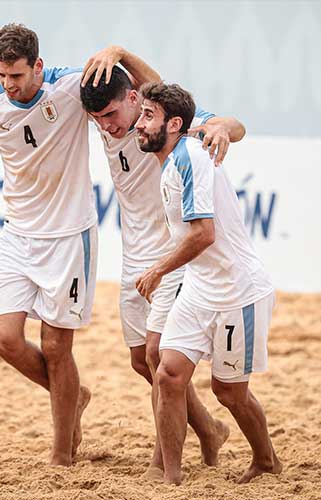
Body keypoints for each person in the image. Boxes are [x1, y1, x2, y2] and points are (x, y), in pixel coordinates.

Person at [79, 48, 246, 479]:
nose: (107, 124)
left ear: (136, 99)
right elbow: (39, 81)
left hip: (172, 256)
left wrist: (223, 128)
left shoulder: (157, 125)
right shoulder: (109, 120)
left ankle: (163, 462)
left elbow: (230, 124)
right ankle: (208, 429)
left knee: (159, 356)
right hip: (133, 253)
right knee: (141, 360)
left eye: (113, 113)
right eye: (98, 118)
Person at [0, 23, 101, 466]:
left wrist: (116, 51)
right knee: (4, 339)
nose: (8, 85)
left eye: (16, 75)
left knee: (56, 348)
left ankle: (61, 455)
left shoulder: (71, 87)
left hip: (71, 236)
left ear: (38, 65)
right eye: (1, 74)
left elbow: (133, 88)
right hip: (18, 234)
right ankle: (73, 395)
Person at [133, 81, 282, 485]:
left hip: (238, 291)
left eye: (148, 117)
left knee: (228, 392)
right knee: (167, 373)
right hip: (201, 286)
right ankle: (171, 479)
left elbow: (204, 234)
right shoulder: (174, 150)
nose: (138, 125)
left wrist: (158, 270)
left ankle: (266, 461)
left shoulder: (192, 158)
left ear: (175, 123)